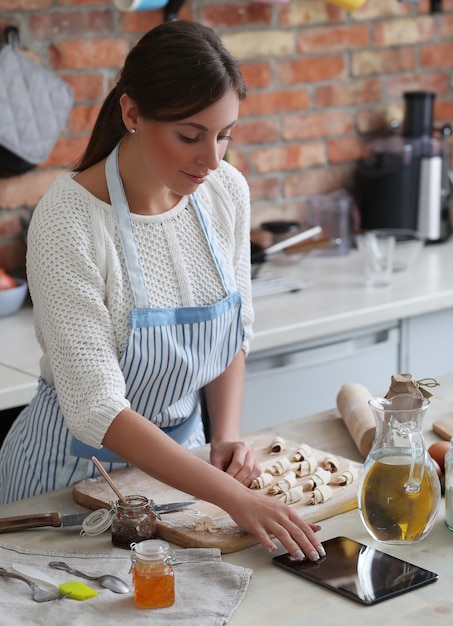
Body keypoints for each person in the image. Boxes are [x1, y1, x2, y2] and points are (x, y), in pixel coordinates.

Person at [0, 20, 324, 562]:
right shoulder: (68, 219)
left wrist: (225, 437)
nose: (212, 160)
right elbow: (98, 410)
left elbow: (232, 330)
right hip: (65, 488)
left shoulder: (226, 192)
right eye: (190, 136)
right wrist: (234, 498)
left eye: (225, 135)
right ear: (132, 114)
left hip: (183, 477)